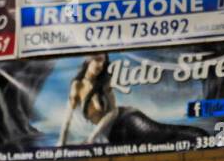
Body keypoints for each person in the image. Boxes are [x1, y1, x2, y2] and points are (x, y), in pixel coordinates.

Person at [59, 52, 208, 148]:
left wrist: (92, 137)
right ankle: (199, 137)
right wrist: (61, 143)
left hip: (127, 120)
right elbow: (68, 117)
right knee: (163, 138)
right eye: (97, 60)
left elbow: (113, 112)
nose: (100, 65)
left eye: (103, 62)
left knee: (166, 135)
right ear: (88, 59)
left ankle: (200, 136)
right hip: (114, 132)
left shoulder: (104, 84)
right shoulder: (77, 85)